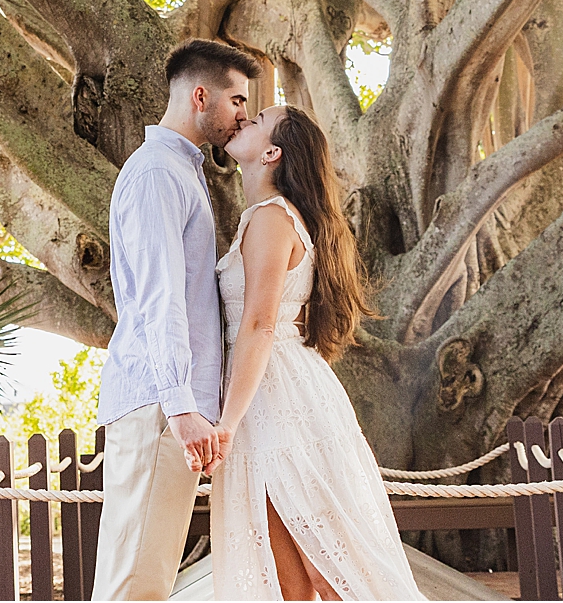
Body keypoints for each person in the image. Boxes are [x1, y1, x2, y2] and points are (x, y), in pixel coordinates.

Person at [207, 106, 423, 601]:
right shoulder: (262, 217)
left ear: (272, 152)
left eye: (256, 118)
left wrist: (226, 423)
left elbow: (260, 324)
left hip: (277, 399)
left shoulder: (271, 219)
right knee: (292, 581)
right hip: (266, 394)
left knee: (328, 566)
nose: (242, 119)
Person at [92, 39, 259, 601]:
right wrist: (183, 408)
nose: (244, 115)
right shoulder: (159, 173)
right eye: (237, 100)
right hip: (160, 407)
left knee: (147, 578)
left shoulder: (182, 171)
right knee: (133, 582)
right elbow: (160, 298)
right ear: (201, 95)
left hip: (170, 405)